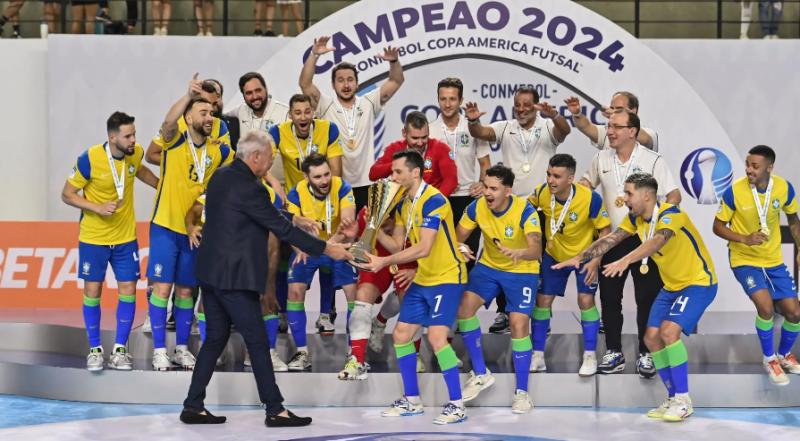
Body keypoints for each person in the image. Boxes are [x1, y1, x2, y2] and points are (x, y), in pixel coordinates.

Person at [180, 130, 353, 427]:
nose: (271, 163)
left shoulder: (220, 177)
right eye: (270, 158)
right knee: (258, 342)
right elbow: (277, 226)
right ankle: (275, 410)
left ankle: (193, 405)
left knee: (215, 339)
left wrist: (293, 217)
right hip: (235, 279)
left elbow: (258, 213)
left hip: (210, 276)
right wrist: (327, 248)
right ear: (255, 157)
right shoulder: (252, 187)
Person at [556, 173, 717, 422]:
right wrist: (581, 258)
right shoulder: (635, 218)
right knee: (651, 338)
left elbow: (656, 242)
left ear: (646, 195)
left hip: (698, 283)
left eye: (629, 193)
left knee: (669, 333)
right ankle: (673, 397)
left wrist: (625, 260)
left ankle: (684, 400)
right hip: (672, 286)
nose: (624, 198)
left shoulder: (672, 214)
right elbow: (611, 238)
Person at [361, 150, 468, 425]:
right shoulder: (406, 203)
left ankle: (456, 404)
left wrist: (383, 261)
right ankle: (412, 400)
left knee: (436, 338)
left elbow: (424, 247)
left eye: (397, 172)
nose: (392, 176)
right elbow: (398, 245)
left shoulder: (434, 200)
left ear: (415, 172)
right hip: (424, 278)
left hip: (447, 277)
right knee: (400, 335)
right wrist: (374, 226)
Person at [580, 110, 680, 378]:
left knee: (646, 298)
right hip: (614, 238)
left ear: (633, 131)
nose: (609, 131)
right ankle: (614, 352)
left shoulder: (653, 160)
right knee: (610, 298)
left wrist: (660, 223)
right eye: (608, 126)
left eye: (615, 127)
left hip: (645, 239)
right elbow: (584, 186)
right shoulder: (601, 158)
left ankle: (646, 354)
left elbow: (674, 195)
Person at [147, 75, 234, 371]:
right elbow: (168, 123)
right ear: (189, 117)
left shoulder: (218, 151)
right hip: (165, 227)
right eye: (203, 113)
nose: (210, 116)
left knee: (186, 291)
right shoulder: (173, 142)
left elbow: (238, 173)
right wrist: (187, 95)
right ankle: (160, 350)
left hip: (195, 232)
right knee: (162, 289)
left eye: (212, 112)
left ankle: (181, 348)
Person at [61, 112, 159, 371]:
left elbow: (140, 170)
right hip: (94, 238)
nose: (134, 140)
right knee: (93, 292)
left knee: (128, 290)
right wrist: (96, 207)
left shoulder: (134, 153)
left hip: (126, 238)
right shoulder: (90, 158)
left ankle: (120, 350)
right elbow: (67, 194)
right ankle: (94, 349)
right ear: (112, 136)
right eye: (128, 135)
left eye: (134, 134)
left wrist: (162, 186)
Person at [454, 165, 542, 413]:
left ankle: (522, 393)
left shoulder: (525, 210)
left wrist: (520, 252)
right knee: (464, 309)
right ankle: (481, 373)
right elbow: (456, 236)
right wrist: (459, 247)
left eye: (494, 189)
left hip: (522, 270)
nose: (487, 193)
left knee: (518, 324)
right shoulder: (476, 206)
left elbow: (536, 249)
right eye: (485, 187)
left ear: (508, 191)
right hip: (489, 267)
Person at [713, 145, 800, 385]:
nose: (749, 169)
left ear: (769, 168)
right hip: (744, 259)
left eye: (755, 166)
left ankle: (783, 356)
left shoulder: (783, 188)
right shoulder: (735, 192)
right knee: (765, 308)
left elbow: (793, 219)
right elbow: (717, 226)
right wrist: (744, 238)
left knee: (794, 312)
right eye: (748, 164)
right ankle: (769, 358)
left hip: (773, 259)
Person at [300, 35, 404, 211]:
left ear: (357, 84)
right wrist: (314, 55)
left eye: (350, 80)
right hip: (337, 184)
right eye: (340, 80)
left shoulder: (369, 102)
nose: (346, 85)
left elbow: (396, 80)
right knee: (342, 234)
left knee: (365, 234)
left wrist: (394, 62)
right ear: (333, 85)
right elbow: (305, 83)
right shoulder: (326, 105)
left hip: (367, 184)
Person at [529, 154, 611, 376]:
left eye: (557, 176)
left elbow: (605, 230)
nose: (551, 180)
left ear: (571, 178)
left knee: (585, 300)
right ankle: (537, 356)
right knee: (542, 300)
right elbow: (525, 211)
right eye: (548, 174)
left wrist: (595, 259)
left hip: (584, 256)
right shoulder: (541, 193)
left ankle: (590, 356)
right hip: (553, 254)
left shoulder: (589, 198)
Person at [284, 153, 358, 370]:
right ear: (307, 177)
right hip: (306, 247)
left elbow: (348, 224)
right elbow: (289, 228)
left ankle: (355, 353)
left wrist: (329, 246)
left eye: (327, 174)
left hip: (337, 243)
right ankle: (302, 352)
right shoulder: (295, 192)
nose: (324, 181)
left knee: (353, 292)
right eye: (317, 177)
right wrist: (301, 248)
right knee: (295, 290)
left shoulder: (342, 186)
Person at [338, 206, 419, 380]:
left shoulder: (411, 208)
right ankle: (357, 360)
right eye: (383, 223)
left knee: (410, 299)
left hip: (406, 254)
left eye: (389, 223)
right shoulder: (367, 210)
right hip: (377, 254)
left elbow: (402, 248)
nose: (387, 227)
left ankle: (414, 352)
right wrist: (348, 236)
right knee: (363, 296)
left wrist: (418, 270)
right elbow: (348, 239)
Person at [428, 77, 490, 272]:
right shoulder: (429, 130)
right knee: (440, 255)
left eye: (452, 99)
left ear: (460, 100)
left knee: (466, 258)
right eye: (443, 99)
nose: (447, 104)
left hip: (468, 199)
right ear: (438, 100)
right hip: (441, 199)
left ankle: (463, 301)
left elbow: (485, 163)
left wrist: (482, 182)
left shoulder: (472, 128)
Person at [465, 85, 570, 197]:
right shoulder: (506, 127)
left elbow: (565, 130)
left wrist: (555, 115)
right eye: (517, 105)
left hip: (543, 202)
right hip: (513, 203)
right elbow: (479, 132)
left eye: (526, 105)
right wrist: (473, 121)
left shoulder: (548, 126)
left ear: (536, 107)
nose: (520, 109)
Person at [370, 111, 457, 197]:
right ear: (404, 133)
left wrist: (434, 201)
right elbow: (373, 174)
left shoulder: (441, 148)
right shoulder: (394, 148)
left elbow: (451, 180)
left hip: (431, 204)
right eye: (415, 138)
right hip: (402, 205)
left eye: (424, 137)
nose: (420, 143)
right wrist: (397, 165)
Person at [565, 92, 658, 152]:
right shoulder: (607, 132)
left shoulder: (649, 133)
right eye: (612, 108)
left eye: (619, 109)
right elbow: (586, 127)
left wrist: (617, 115)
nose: (614, 112)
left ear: (633, 110)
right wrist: (577, 114)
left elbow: (645, 140)